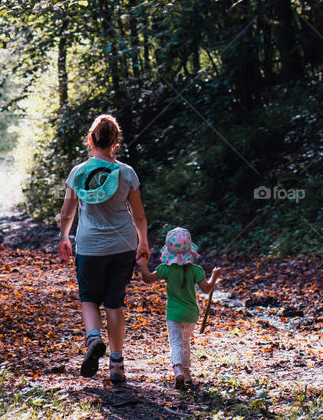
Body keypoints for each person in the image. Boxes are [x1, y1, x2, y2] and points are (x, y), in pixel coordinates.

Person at [58, 114, 149, 385]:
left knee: (88, 298)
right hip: (123, 245)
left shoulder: (79, 172)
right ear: (115, 142)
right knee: (114, 301)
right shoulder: (126, 172)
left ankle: (94, 338)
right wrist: (143, 241)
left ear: (91, 139)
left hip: (89, 247)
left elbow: (67, 212)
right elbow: (139, 214)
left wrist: (64, 236)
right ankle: (117, 364)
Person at [137, 226, 220, 390]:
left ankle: (177, 369)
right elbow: (207, 289)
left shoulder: (165, 269)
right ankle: (187, 373)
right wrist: (214, 277)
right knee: (184, 343)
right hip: (190, 315)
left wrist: (142, 264)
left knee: (175, 343)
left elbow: (147, 279)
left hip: (174, 314)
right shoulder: (196, 270)